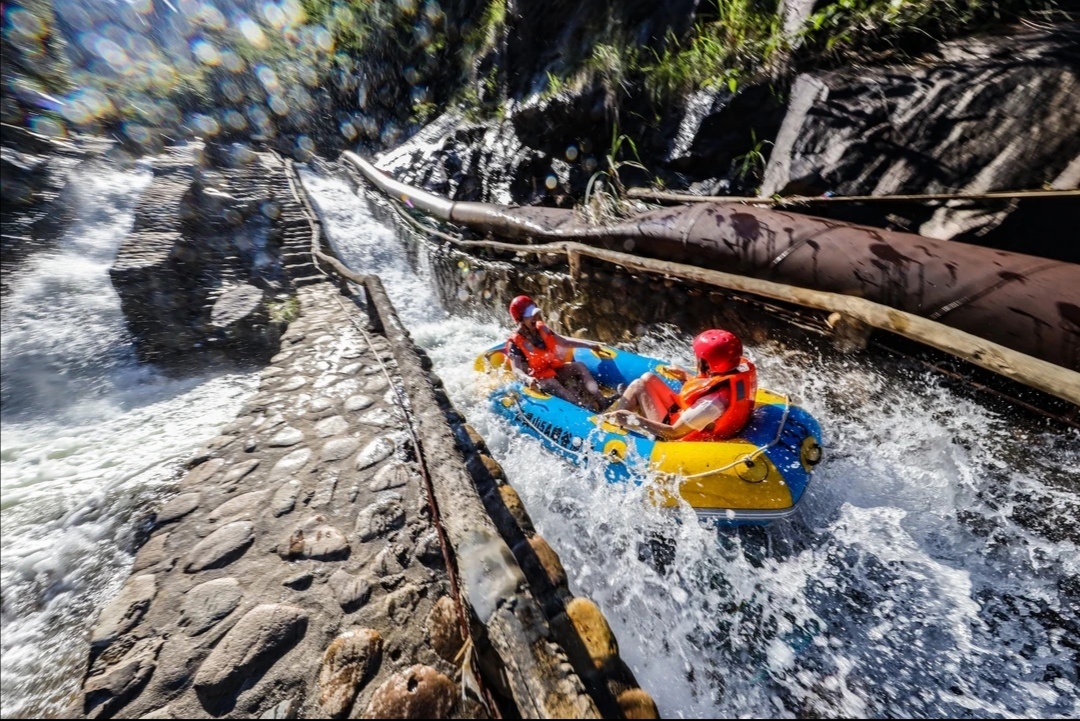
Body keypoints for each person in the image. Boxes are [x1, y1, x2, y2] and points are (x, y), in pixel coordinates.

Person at [603, 329, 757, 441]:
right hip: (689, 419)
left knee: (638, 386)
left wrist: (634, 419)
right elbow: (708, 390)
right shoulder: (732, 374)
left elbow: (673, 433)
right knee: (647, 378)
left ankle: (613, 421)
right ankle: (618, 416)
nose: (696, 358)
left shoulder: (712, 404)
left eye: (698, 357)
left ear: (708, 363)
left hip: (677, 435)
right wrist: (686, 377)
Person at [505, 295, 609, 411]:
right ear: (520, 319)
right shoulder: (515, 342)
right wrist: (528, 379)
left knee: (579, 366)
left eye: (535, 313)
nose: (535, 317)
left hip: (552, 370)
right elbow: (516, 369)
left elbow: (564, 342)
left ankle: (602, 400)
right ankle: (583, 409)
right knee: (552, 382)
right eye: (530, 316)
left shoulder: (541, 329)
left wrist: (589, 345)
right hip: (537, 380)